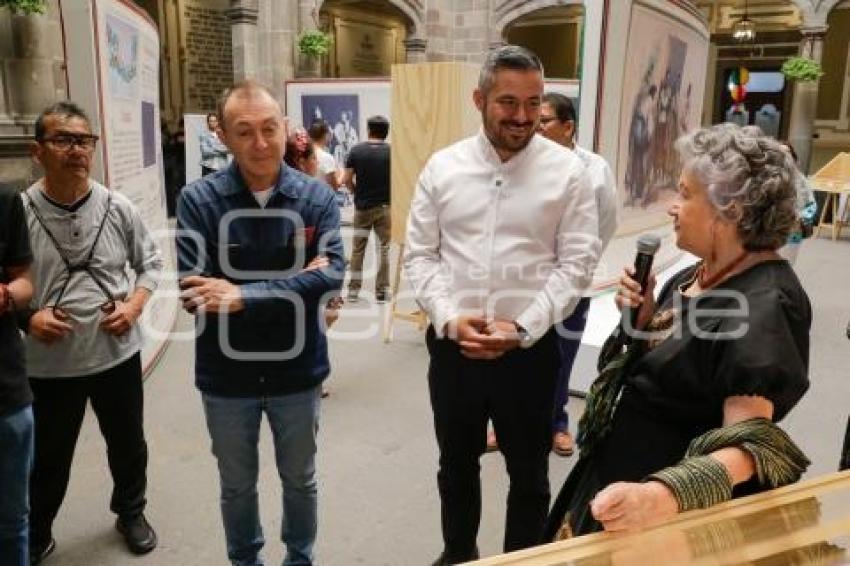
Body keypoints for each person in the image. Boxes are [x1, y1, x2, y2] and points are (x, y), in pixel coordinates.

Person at [543, 123, 811, 540]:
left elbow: (751, 447)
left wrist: (662, 495)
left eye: (685, 194)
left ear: (732, 209)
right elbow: (660, 360)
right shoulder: (697, 272)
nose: (672, 206)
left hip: (670, 510)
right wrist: (643, 318)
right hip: (621, 475)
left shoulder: (767, 305)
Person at [404, 45, 600, 565]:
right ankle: (459, 553)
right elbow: (421, 257)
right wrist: (448, 317)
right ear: (479, 99)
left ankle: (522, 561)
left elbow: (577, 264)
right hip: (455, 350)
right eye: (507, 102)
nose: (521, 116)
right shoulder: (442, 167)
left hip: (529, 353)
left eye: (533, 103)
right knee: (456, 465)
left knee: (530, 474)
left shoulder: (568, 173)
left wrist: (523, 325)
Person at [176, 80, 344, 566]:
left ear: (285, 128)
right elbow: (194, 293)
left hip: (298, 370)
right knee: (236, 486)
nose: (260, 142)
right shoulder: (198, 200)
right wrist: (297, 283)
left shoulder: (315, 198)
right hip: (227, 376)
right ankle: (245, 561)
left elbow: (332, 276)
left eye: (269, 128)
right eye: (244, 131)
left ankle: (299, 559)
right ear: (223, 137)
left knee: (300, 480)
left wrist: (241, 293)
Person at [20, 101, 163, 562]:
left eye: (84, 140)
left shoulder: (117, 206)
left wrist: (135, 305)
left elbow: (151, 264)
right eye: (63, 139)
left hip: (115, 354)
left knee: (127, 443)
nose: (76, 149)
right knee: (47, 457)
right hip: (48, 364)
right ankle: (37, 528)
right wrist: (27, 318)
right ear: (37, 150)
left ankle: (131, 511)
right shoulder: (18, 212)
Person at [537, 91, 618, 457]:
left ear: (567, 126)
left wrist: (576, 269)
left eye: (543, 121)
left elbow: (606, 222)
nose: (535, 128)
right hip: (526, 283)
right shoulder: (525, 164)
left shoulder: (595, 169)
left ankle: (556, 424)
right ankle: (508, 425)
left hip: (571, 286)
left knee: (560, 356)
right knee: (517, 355)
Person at [0, 183, 35, 566]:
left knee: (12, 520)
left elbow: (24, 281)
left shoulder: (5, 201)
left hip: (5, 391)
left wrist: (8, 295)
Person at [342, 115, 391, 303]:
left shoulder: (356, 151)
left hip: (362, 208)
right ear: (386, 132)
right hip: (386, 207)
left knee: (358, 249)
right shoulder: (391, 152)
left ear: (369, 130)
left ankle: (353, 291)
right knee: (384, 249)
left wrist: (356, 193)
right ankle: (381, 291)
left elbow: (346, 179)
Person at [777, 140, 816, 266]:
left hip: (793, 229)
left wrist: (801, 218)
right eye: (780, 152)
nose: (784, 156)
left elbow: (811, 203)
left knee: (788, 263)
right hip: (770, 229)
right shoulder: (767, 176)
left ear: (793, 157)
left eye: (787, 152)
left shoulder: (801, 180)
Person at [307, 120, 341, 191]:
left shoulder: (305, 154)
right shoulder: (326, 158)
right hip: (322, 198)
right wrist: (343, 175)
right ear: (325, 135)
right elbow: (334, 187)